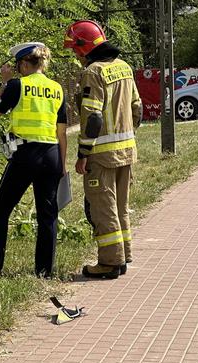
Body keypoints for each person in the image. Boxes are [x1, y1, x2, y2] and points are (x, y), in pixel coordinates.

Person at [64, 20, 142, 279]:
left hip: (102, 154)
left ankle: (109, 263)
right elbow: (137, 108)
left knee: (102, 207)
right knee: (121, 206)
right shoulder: (125, 68)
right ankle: (124, 255)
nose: (75, 55)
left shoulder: (93, 72)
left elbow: (93, 118)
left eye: (75, 49)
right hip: (127, 151)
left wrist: (84, 153)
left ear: (83, 46)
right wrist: (128, 136)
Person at [0, 42, 67, 278]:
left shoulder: (17, 85)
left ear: (22, 64)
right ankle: (44, 272)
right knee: (47, 215)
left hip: (25, 155)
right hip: (51, 155)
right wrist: (62, 165)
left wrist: (4, 82)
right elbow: (62, 132)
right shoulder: (57, 88)